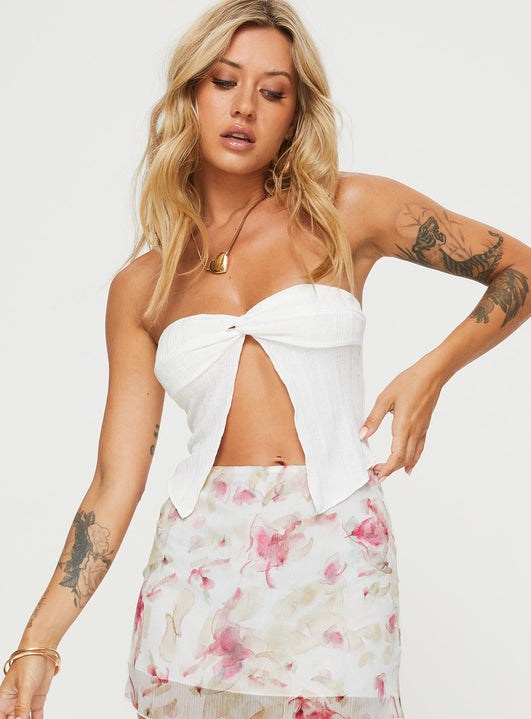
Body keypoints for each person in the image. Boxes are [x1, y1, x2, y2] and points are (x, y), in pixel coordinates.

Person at [1, 0, 530, 717]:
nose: (244, 106)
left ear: (294, 114)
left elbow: (519, 268)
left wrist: (430, 370)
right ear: (191, 94)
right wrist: (37, 642)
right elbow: (113, 483)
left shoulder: (348, 210)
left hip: (338, 561)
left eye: (272, 91)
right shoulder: (142, 286)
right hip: (196, 576)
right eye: (224, 81)